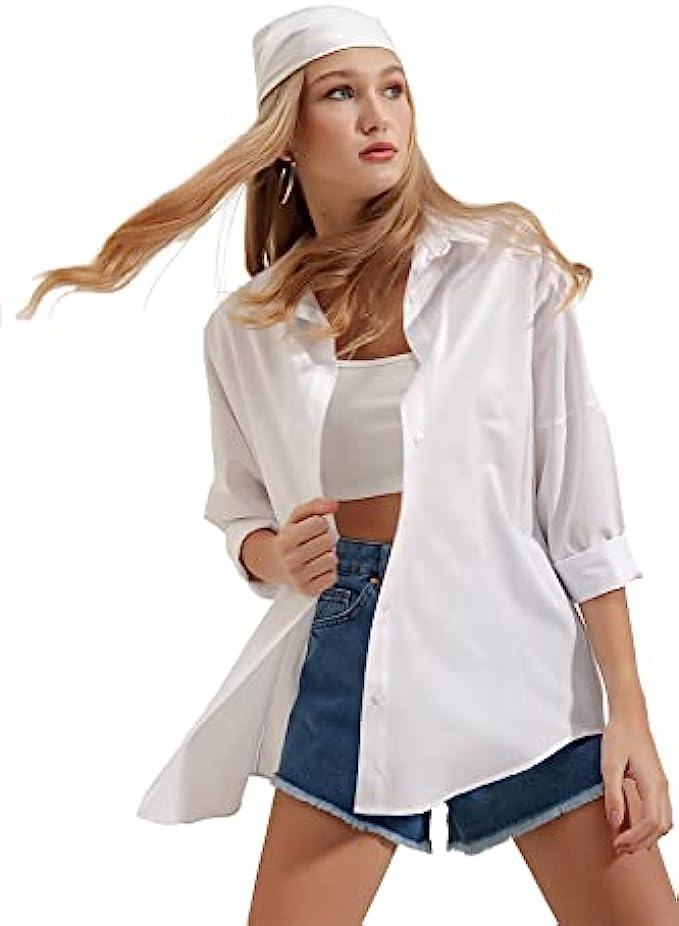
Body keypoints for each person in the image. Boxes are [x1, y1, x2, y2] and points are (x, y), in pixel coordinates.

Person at [19, 5, 678, 924]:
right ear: (285, 134)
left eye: (393, 89)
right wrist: (274, 556)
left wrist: (630, 714)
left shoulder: (503, 268)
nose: (378, 116)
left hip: (513, 641)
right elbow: (239, 511)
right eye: (341, 93)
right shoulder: (244, 328)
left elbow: (582, 514)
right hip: (351, 640)